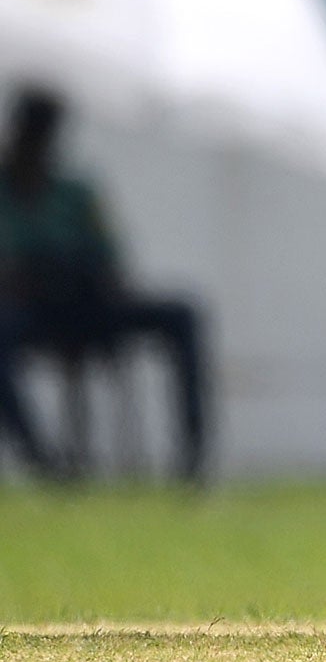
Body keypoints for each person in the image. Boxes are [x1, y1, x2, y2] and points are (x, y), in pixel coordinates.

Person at [0, 87, 211, 483]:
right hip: (30, 312)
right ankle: (44, 464)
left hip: (88, 303)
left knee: (183, 313)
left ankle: (192, 457)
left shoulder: (75, 192)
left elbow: (110, 259)